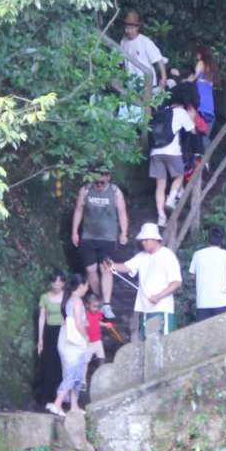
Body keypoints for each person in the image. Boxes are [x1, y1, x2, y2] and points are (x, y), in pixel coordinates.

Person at [103, 222, 182, 341]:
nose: (143, 242)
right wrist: (112, 265)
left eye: (146, 240)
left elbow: (176, 282)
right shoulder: (142, 256)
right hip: (145, 309)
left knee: (165, 343)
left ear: (155, 239)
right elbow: (126, 267)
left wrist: (159, 296)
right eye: (142, 240)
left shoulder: (167, 255)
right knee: (146, 343)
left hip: (162, 308)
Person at [70, 167, 128, 317]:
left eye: (102, 182)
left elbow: (122, 213)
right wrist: (75, 231)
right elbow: (78, 210)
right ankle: (99, 298)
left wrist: (123, 233)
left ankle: (107, 304)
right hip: (88, 236)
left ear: (108, 177)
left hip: (107, 238)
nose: (99, 185)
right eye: (97, 182)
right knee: (90, 270)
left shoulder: (115, 192)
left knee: (106, 268)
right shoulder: (86, 190)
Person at [149, 85, 197, 227]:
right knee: (179, 175)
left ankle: (161, 217)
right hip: (172, 150)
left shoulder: (162, 112)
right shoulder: (181, 112)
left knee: (160, 184)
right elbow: (192, 131)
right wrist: (192, 119)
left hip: (155, 152)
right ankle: (171, 199)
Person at [46, 274, 90, 416]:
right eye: (87, 285)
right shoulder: (77, 302)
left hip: (65, 340)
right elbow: (78, 323)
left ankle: (74, 406)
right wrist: (86, 336)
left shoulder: (69, 299)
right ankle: (57, 403)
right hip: (74, 343)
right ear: (81, 286)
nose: (87, 288)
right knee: (72, 374)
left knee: (74, 374)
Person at [189, 227, 226, 321]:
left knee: (204, 334)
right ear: (222, 240)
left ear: (208, 238)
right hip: (221, 301)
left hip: (203, 302)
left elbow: (192, 276)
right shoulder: (225, 254)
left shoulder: (197, 254)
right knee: (223, 334)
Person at [118, 10, 168, 94]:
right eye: (127, 28)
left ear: (137, 28)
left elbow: (159, 59)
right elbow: (121, 63)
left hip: (147, 83)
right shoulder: (123, 42)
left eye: (131, 28)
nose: (128, 31)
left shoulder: (145, 41)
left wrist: (163, 78)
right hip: (131, 85)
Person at [35, 272, 66, 404]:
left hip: (64, 331)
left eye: (60, 281)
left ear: (63, 283)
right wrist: (40, 339)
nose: (57, 284)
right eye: (54, 281)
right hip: (50, 331)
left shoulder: (67, 297)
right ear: (50, 283)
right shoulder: (45, 297)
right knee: (48, 362)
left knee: (62, 362)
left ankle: (60, 396)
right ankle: (46, 395)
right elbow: (42, 318)